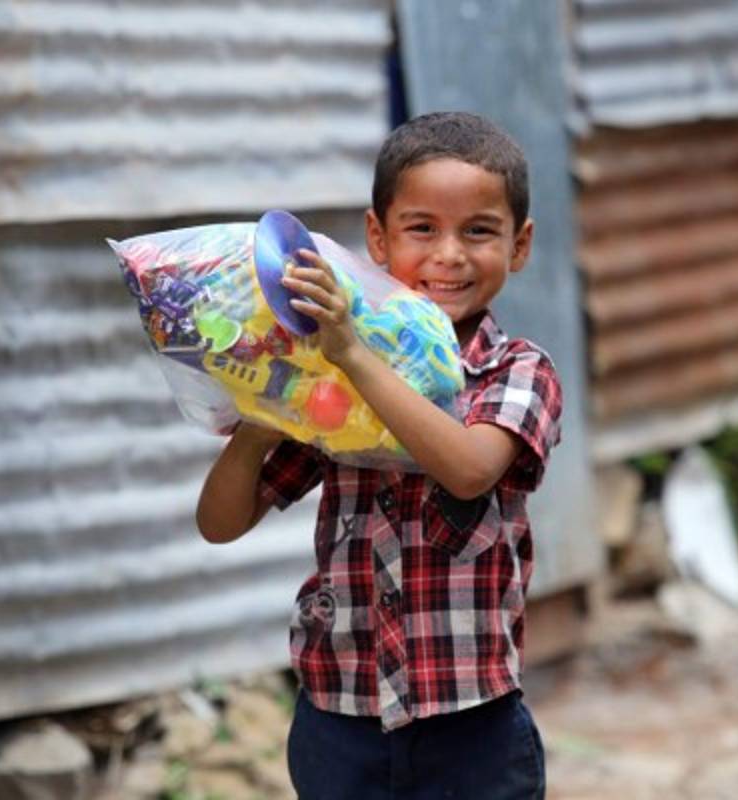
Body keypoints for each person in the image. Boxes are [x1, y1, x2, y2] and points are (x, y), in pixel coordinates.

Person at [196, 111, 563, 799]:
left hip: (472, 726)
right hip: (340, 720)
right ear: (377, 237)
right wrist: (259, 417)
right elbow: (220, 522)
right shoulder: (327, 381)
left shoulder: (518, 373)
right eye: (421, 228)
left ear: (519, 245)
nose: (448, 255)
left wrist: (354, 357)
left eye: (479, 230)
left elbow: (466, 467)